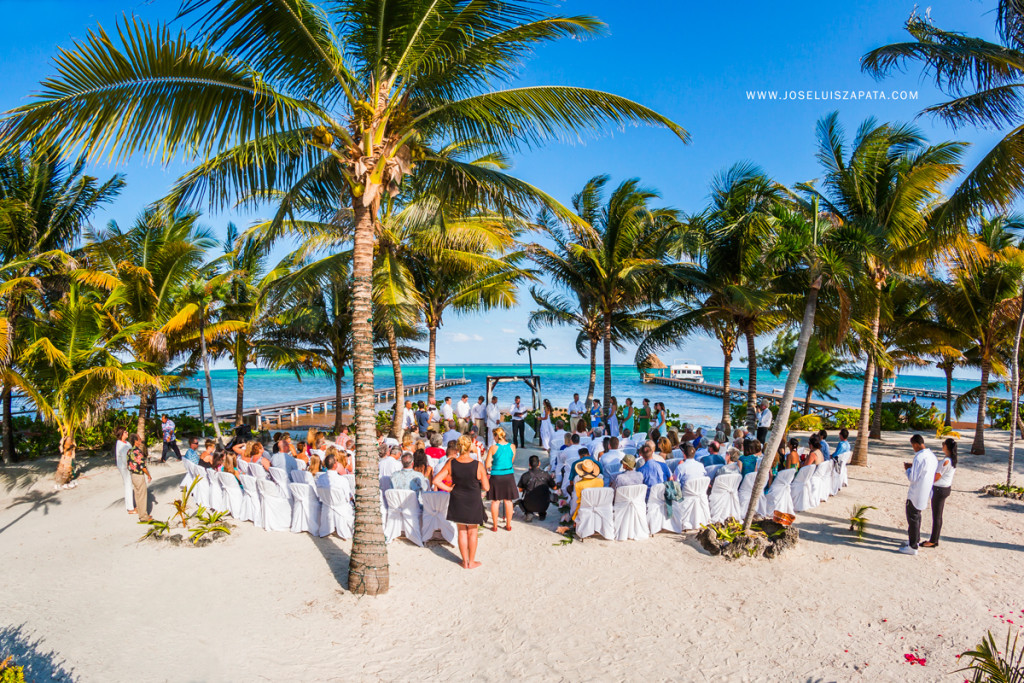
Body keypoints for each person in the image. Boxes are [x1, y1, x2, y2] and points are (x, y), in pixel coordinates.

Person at [433, 436, 489, 569]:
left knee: (462, 531)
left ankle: (464, 562)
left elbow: (436, 480)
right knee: (473, 531)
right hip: (473, 499)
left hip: (457, 498)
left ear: (458, 447)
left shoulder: (451, 463)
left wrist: (449, 489)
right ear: (470, 447)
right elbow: (486, 487)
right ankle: (471, 561)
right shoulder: (477, 465)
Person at [902, 434, 938, 555]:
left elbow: (913, 477)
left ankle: (912, 547)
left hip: (916, 492)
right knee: (917, 516)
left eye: (913, 446)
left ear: (916, 444)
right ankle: (915, 540)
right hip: (926, 491)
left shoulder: (919, 457)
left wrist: (907, 469)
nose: (913, 448)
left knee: (912, 518)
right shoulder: (932, 456)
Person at [922, 438, 957, 549]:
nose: (942, 445)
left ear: (947, 447)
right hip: (945, 489)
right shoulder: (952, 460)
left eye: (943, 444)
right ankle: (934, 539)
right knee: (938, 515)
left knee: (936, 516)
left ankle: (933, 541)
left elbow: (936, 477)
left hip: (939, 490)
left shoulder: (946, 461)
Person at [485, 427, 517, 532]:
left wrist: (493, 464)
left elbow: (487, 464)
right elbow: (511, 461)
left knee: (496, 500)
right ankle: (508, 525)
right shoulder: (512, 446)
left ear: (496, 436)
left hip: (496, 475)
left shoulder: (493, 448)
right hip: (508, 474)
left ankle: (494, 526)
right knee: (508, 501)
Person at [517, 455, 555, 522]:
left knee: (520, 501)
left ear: (529, 464)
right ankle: (542, 513)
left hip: (529, 504)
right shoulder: (546, 475)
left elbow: (520, 490)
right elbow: (554, 487)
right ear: (539, 463)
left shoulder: (525, 475)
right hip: (544, 504)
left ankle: (529, 513)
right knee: (552, 495)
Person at [126, 433, 152, 522]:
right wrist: (148, 475)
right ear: (135, 441)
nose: (140, 441)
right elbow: (142, 466)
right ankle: (144, 516)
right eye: (139, 439)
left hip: (133, 475)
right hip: (139, 475)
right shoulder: (137, 452)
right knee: (142, 496)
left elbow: (128, 464)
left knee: (137, 495)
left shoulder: (129, 451)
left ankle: (141, 514)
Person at [113, 428, 135, 514]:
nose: (127, 432)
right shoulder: (120, 444)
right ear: (121, 434)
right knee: (128, 485)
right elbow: (123, 457)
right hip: (124, 467)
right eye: (125, 432)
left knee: (130, 485)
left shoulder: (127, 443)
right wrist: (129, 466)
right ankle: (130, 508)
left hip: (129, 466)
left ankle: (132, 506)